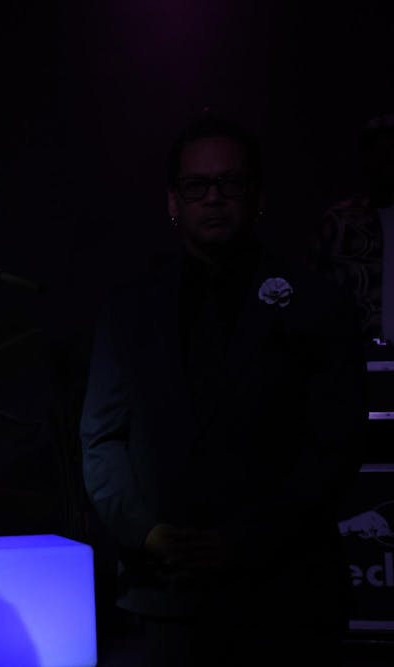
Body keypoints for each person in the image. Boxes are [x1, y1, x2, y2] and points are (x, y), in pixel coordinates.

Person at [79, 112, 366, 666]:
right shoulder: (129, 309)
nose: (214, 197)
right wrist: (147, 533)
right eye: (197, 185)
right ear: (173, 202)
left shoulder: (317, 303)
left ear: (256, 195)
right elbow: (101, 439)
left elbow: (337, 441)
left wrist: (250, 539)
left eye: (230, 183)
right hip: (167, 592)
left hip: (288, 590)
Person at [310, 112, 394, 350]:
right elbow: (314, 292)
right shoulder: (340, 222)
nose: (388, 161)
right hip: (352, 359)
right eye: (381, 153)